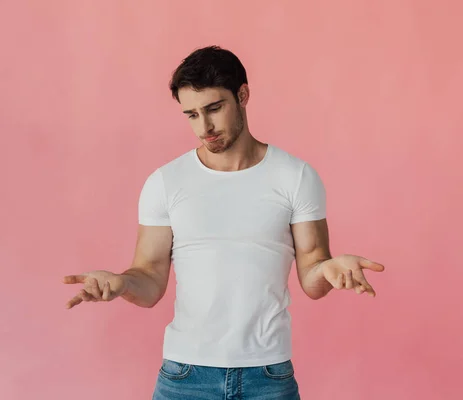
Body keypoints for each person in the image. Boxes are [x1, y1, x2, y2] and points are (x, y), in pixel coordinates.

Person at [63, 45, 385, 400]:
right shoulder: (165, 182)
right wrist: (121, 283)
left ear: (243, 95)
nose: (205, 127)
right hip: (184, 377)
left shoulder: (296, 177)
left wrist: (330, 270)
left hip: (268, 376)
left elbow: (312, 275)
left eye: (214, 108)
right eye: (192, 115)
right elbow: (150, 278)